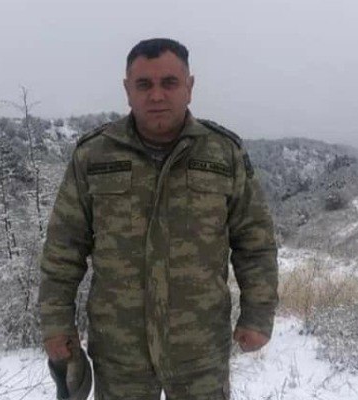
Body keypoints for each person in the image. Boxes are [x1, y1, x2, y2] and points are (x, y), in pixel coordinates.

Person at [39, 38, 278, 400]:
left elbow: (254, 241)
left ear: (189, 87)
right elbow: (64, 247)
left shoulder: (223, 153)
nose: (156, 95)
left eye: (169, 83)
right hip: (120, 351)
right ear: (127, 90)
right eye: (144, 84)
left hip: (199, 347)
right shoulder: (94, 155)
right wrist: (57, 323)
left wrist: (257, 315)